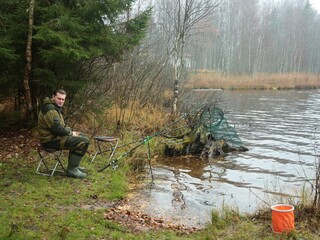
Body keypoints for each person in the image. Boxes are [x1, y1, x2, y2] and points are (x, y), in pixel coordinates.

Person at [38, 89, 89, 178]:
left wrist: (71, 133)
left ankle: (74, 167)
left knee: (82, 136)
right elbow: (58, 129)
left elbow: (60, 127)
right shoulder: (50, 109)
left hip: (56, 137)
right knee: (83, 141)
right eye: (59, 98)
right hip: (50, 141)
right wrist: (70, 132)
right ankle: (72, 170)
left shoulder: (54, 108)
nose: (61, 101)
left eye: (63, 99)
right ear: (53, 97)